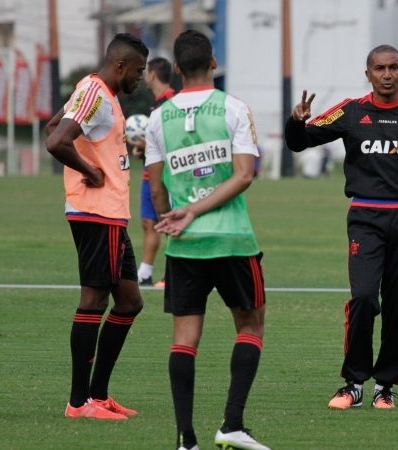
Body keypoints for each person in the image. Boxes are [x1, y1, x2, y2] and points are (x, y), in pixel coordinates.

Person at [285, 44, 398, 410]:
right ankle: (353, 383)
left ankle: (385, 386)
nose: (387, 74)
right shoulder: (351, 111)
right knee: (364, 297)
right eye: (379, 68)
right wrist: (297, 121)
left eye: (393, 67)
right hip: (366, 217)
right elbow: (299, 143)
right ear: (368, 73)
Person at [145, 30, 269, 450]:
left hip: (185, 245)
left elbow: (156, 186)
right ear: (213, 63)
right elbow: (244, 174)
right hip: (234, 240)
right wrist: (198, 209)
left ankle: (185, 440)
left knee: (184, 339)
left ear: (176, 69)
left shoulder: (157, 118)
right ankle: (232, 424)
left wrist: (171, 218)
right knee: (250, 326)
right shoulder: (234, 109)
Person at [45, 33, 148, 421]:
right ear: (120, 66)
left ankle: (99, 394)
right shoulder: (95, 90)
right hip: (94, 213)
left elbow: (56, 123)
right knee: (93, 301)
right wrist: (90, 171)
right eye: (137, 71)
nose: (139, 78)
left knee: (130, 301)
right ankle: (78, 402)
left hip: (112, 217)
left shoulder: (102, 96)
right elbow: (56, 140)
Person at [132, 56, 175, 287]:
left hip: (164, 176)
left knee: (168, 223)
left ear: (152, 74)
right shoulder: (157, 102)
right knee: (149, 223)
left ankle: (172, 274)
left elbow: (169, 141)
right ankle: (144, 274)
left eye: (145, 72)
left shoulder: (170, 102)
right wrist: (143, 150)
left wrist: (142, 145)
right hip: (150, 174)